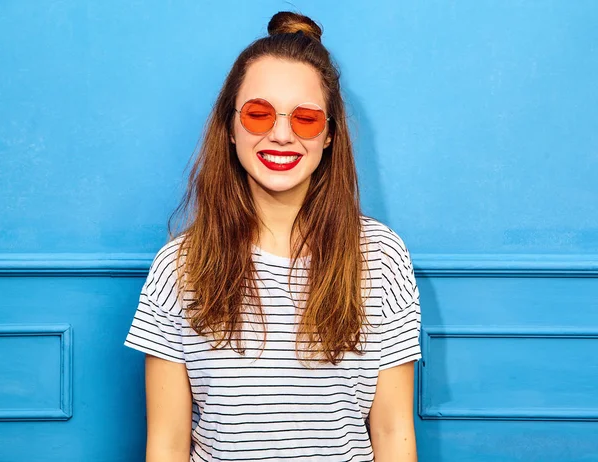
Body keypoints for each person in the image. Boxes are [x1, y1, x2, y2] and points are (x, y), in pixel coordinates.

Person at [124, 11, 421, 462]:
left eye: (304, 119)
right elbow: (166, 444)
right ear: (229, 126)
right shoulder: (178, 266)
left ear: (328, 137)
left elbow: (393, 430)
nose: (281, 135)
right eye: (259, 114)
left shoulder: (381, 256)